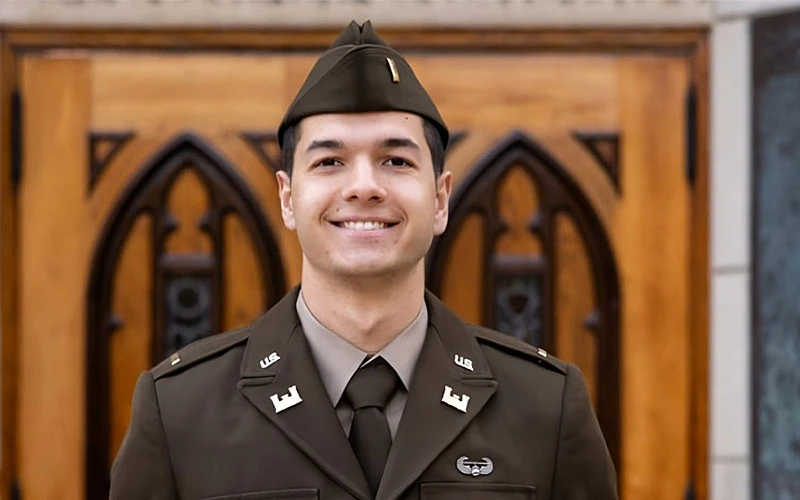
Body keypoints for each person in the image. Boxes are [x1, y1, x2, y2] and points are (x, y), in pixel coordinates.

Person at [110, 20, 618, 500]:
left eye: (395, 161)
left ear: (440, 199)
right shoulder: (179, 411)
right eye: (330, 162)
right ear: (288, 198)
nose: (364, 187)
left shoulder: (544, 408)